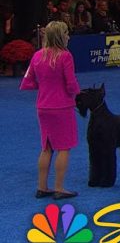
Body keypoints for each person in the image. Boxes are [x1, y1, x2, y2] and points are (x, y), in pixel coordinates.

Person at [20, 21, 81, 200]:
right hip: (62, 106)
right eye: (67, 34)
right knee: (64, 147)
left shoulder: (37, 55)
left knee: (46, 147)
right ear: (61, 36)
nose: (69, 37)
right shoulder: (65, 56)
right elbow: (71, 84)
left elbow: (28, 82)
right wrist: (77, 93)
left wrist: (45, 85)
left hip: (43, 106)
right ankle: (59, 188)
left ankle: (41, 186)